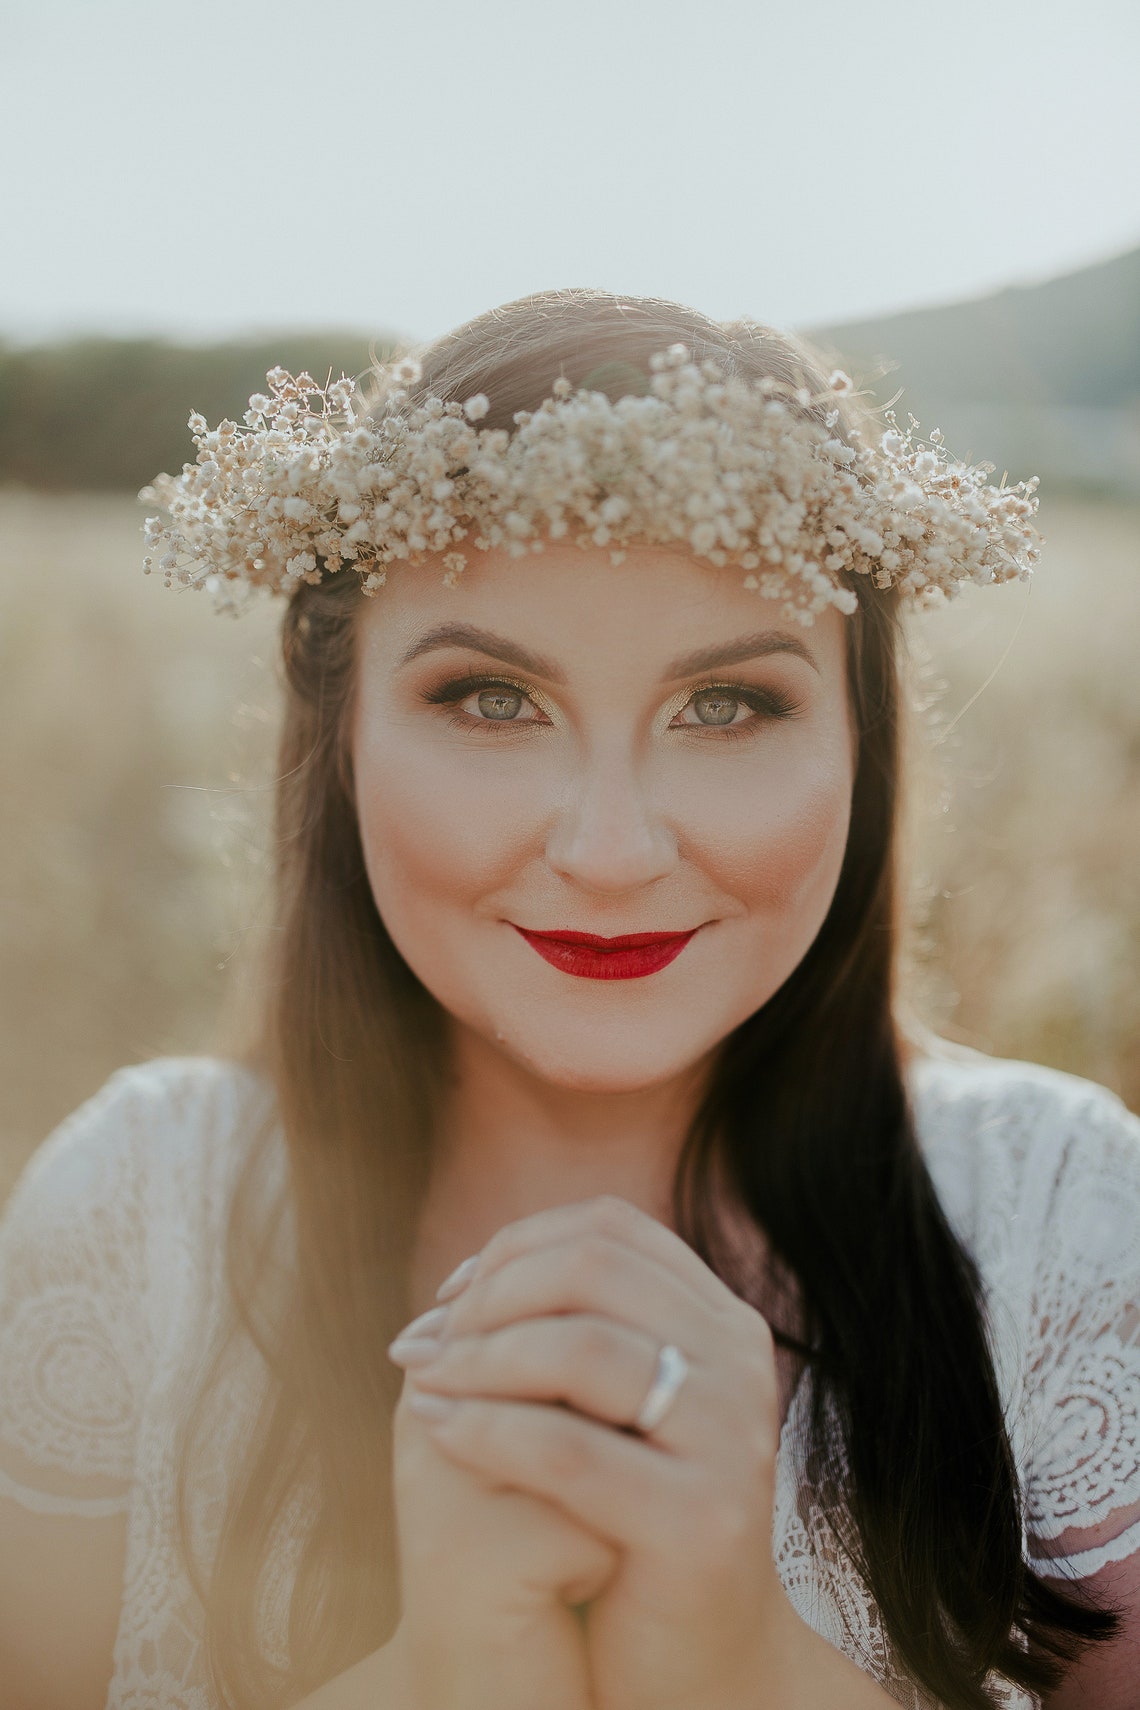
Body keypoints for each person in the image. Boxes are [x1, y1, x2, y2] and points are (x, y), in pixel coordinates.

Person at [0, 289, 1137, 1710]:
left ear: (867, 744)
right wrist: (437, 1678)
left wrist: (742, 1664)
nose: (610, 851)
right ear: (339, 734)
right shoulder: (129, 1214)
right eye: (489, 698)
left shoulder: (1069, 1219)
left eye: (727, 706)